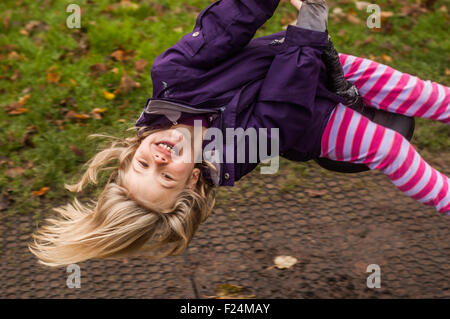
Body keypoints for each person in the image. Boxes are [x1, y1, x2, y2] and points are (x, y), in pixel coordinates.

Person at [29, 0, 449, 267]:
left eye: (143, 164)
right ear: (193, 178)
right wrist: (308, 29)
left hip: (316, 63)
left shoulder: (173, 77)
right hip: (316, 124)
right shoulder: (231, 157)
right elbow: (279, 113)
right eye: (166, 176)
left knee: (427, 96)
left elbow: (222, 30)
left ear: (133, 148)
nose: (158, 161)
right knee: (390, 148)